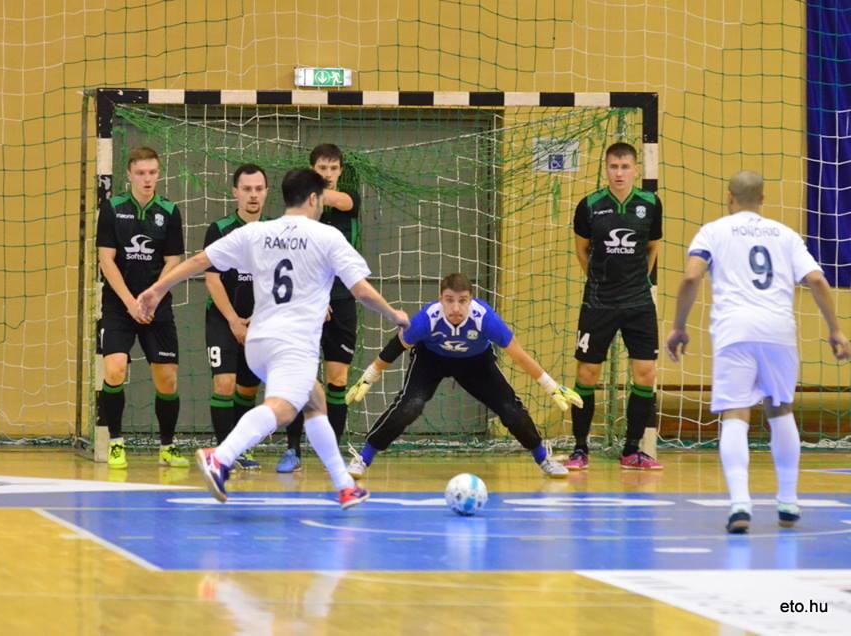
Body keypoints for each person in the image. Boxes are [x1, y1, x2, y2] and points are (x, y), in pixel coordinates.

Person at [137, 168, 409, 509]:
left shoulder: (257, 232)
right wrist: (394, 315)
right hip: (292, 346)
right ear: (314, 199)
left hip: (258, 343)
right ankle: (221, 456)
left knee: (315, 401)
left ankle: (344, 486)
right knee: (282, 409)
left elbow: (200, 260)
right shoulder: (327, 236)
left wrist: (157, 289)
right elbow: (361, 291)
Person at [666, 170, 849, 534]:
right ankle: (788, 501)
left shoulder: (713, 232)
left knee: (735, 413)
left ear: (729, 197)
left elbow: (690, 277)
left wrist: (679, 326)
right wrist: (835, 329)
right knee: (781, 410)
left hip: (734, 331)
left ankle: (739, 505)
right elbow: (817, 280)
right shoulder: (785, 235)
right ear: (763, 199)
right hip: (778, 331)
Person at [344, 273, 581, 479]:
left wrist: (551, 386)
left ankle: (543, 458)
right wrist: (369, 376)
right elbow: (396, 346)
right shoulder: (428, 319)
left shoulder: (485, 318)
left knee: (510, 409)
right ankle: (363, 458)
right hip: (431, 360)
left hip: (475, 362)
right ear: (441, 299)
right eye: (449, 300)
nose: (456, 308)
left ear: (471, 300)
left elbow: (519, 355)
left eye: (463, 301)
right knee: (410, 406)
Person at [568, 142, 663, 471]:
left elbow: (652, 247)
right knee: (587, 373)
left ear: (635, 169)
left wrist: (638, 281)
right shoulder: (589, 205)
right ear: (606, 169)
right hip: (599, 302)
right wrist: (600, 282)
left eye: (625, 167)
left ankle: (632, 450)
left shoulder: (650, 204)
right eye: (613, 167)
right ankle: (580, 448)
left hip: (639, 302)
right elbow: (582, 250)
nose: (619, 173)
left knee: (646, 373)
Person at [95, 146, 190, 469]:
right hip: (119, 305)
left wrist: (152, 296)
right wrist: (129, 302)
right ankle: (116, 443)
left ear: (158, 174)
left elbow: (173, 260)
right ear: (129, 175)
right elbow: (106, 259)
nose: (147, 179)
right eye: (140, 173)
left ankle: (167, 447)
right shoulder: (112, 208)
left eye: (152, 173)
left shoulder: (169, 211)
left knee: (167, 380)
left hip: (156, 305)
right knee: (114, 369)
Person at [279, 143, 362, 473]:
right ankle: (292, 450)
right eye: (321, 169)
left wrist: (309, 192)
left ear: (340, 170)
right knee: (300, 378)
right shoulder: (301, 211)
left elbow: (341, 201)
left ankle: (333, 455)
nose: (328, 174)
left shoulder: (348, 199)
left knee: (337, 379)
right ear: (312, 168)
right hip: (306, 300)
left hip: (341, 300)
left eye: (333, 168)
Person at [203, 164, 271, 470]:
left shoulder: (276, 232)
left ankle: (241, 448)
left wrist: (258, 317)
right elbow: (212, 278)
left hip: (261, 321)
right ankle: (223, 455)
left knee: (248, 389)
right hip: (223, 319)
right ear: (235, 192)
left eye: (258, 189)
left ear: (266, 192)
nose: (253, 195)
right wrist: (232, 319)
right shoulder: (219, 229)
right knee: (224, 383)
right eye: (246, 189)